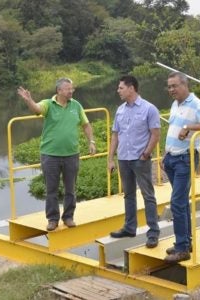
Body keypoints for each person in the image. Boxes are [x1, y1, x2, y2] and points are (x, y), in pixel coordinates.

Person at [17, 78, 96, 231]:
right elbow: (37, 109)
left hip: (71, 154)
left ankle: (68, 217)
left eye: (72, 88)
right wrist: (29, 100)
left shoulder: (76, 105)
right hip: (50, 155)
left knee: (70, 188)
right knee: (51, 189)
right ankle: (53, 219)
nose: (71, 91)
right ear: (59, 91)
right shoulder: (48, 104)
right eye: (68, 89)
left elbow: (86, 125)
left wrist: (91, 141)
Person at [162, 71, 200, 263]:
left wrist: (190, 128)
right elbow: (172, 128)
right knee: (182, 202)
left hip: (185, 158)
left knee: (177, 202)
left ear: (185, 85)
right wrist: (165, 154)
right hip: (172, 158)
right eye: (169, 87)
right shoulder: (175, 104)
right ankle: (186, 242)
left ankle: (182, 248)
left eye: (174, 86)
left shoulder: (196, 104)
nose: (171, 90)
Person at [108, 75, 161, 248]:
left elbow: (155, 134)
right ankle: (130, 227)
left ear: (131, 88)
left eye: (121, 88)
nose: (118, 91)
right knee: (129, 194)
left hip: (140, 159)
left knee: (148, 195)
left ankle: (153, 232)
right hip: (124, 159)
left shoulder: (149, 109)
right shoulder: (120, 110)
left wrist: (145, 154)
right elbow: (115, 135)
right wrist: (111, 159)